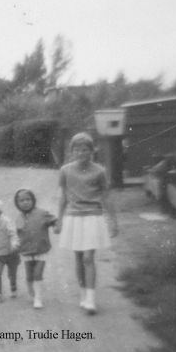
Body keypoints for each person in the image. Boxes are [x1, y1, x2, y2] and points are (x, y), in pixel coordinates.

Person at [54, 132, 118, 315]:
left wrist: (113, 220)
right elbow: (63, 197)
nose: (81, 153)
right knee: (78, 258)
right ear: (72, 151)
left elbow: (106, 196)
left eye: (85, 150)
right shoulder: (65, 170)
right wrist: (59, 219)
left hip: (93, 217)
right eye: (77, 150)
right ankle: (83, 293)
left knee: (89, 259)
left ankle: (91, 299)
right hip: (73, 217)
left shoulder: (99, 171)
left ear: (92, 151)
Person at [14, 188, 57, 309]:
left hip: (40, 250)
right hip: (26, 251)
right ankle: (31, 291)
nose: (25, 202)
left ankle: (38, 297)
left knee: (37, 273)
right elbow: (18, 235)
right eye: (21, 200)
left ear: (33, 200)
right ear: (17, 203)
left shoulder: (42, 213)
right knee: (29, 275)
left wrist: (56, 226)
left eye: (28, 199)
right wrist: (16, 248)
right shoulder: (19, 217)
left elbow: (54, 220)